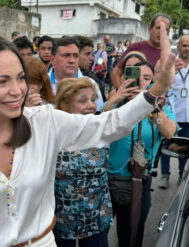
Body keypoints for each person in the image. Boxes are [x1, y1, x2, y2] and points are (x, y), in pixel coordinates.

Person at [0, 21, 177, 246]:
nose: (17, 90)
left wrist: (156, 90)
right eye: (2, 81)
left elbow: (109, 126)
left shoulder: (43, 122)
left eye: (20, 78)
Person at [102, 61, 177, 247]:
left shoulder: (159, 103)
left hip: (138, 183)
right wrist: (115, 98)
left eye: (146, 78)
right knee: (98, 234)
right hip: (106, 183)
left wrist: (153, 105)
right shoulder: (116, 101)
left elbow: (169, 132)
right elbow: (94, 125)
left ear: (152, 81)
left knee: (132, 236)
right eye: (135, 76)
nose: (140, 82)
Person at [54, 78, 111, 247]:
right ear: (64, 105)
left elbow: (125, 118)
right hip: (61, 221)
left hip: (97, 220)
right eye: (83, 100)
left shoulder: (102, 129)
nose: (91, 105)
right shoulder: (51, 133)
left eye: (93, 99)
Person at [159, 35, 189, 188]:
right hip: (172, 112)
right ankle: (165, 175)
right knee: (167, 144)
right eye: (184, 45)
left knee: (185, 147)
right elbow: (164, 85)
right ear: (178, 46)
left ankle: (181, 175)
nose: (187, 48)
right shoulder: (170, 64)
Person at [111, 14, 172, 89]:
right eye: (158, 28)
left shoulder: (168, 55)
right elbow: (115, 74)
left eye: (166, 30)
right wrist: (122, 95)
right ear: (150, 28)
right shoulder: (135, 48)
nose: (161, 32)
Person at [49, 36, 103, 108]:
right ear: (52, 59)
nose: (72, 60)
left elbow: (97, 116)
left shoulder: (91, 84)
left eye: (75, 56)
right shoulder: (40, 85)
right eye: (66, 55)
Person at [75, 35, 105, 100]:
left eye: (91, 54)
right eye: (87, 54)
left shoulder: (93, 81)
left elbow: (100, 108)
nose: (91, 58)